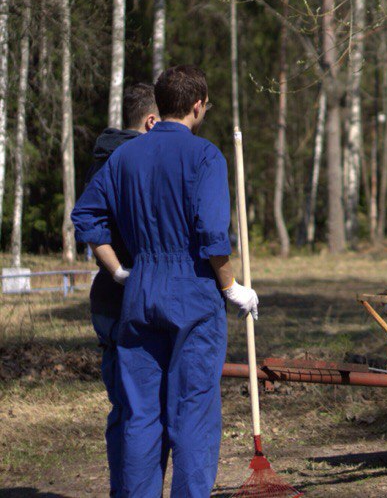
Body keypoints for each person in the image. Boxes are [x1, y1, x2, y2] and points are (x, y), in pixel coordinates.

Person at [72, 65, 259, 497]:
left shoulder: (123, 155)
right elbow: (213, 237)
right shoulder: (205, 156)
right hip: (192, 292)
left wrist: (117, 269)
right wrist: (232, 288)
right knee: (192, 414)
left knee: (140, 416)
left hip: (139, 291)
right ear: (197, 106)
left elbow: (85, 215)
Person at [83, 83, 159, 497]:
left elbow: (90, 221)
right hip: (130, 298)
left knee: (126, 410)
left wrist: (111, 270)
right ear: (151, 121)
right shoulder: (132, 160)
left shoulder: (102, 156)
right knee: (142, 412)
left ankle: (123, 490)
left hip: (109, 298)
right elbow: (91, 220)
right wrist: (121, 271)